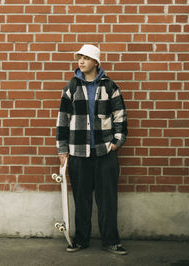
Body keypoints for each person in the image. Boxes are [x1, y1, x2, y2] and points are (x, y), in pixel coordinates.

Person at [56, 44, 128, 255]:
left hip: (105, 152)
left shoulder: (110, 87)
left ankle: (111, 241)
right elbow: (62, 121)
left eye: (86, 58)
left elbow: (120, 117)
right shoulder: (71, 87)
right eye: (80, 58)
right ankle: (80, 240)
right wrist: (62, 150)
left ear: (96, 62)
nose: (81, 61)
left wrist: (117, 142)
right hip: (78, 153)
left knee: (108, 200)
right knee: (81, 200)